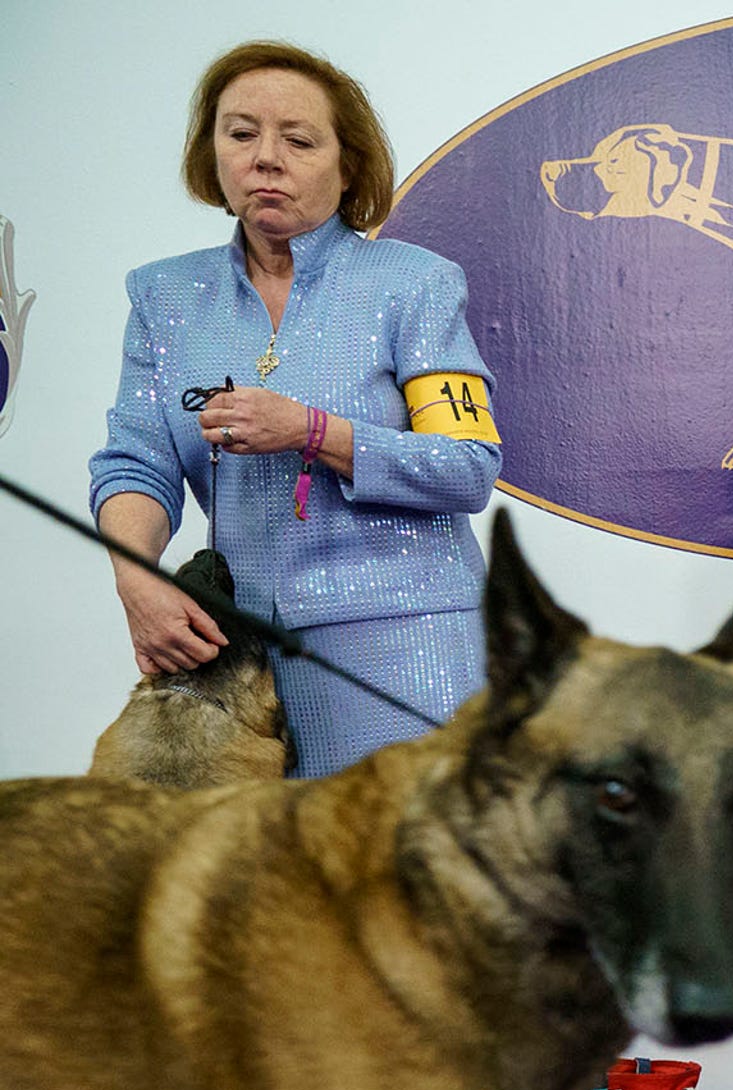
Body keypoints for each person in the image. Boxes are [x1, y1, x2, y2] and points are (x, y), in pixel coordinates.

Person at [90, 41, 500, 778]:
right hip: (231, 665)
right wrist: (136, 578)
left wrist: (312, 432)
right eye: (241, 133)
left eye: (299, 140)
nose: (265, 158)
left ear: (348, 166)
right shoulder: (162, 295)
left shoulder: (416, 283)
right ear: (211, 154)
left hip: (406, 653)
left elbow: (467, 467)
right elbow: (136, 464)